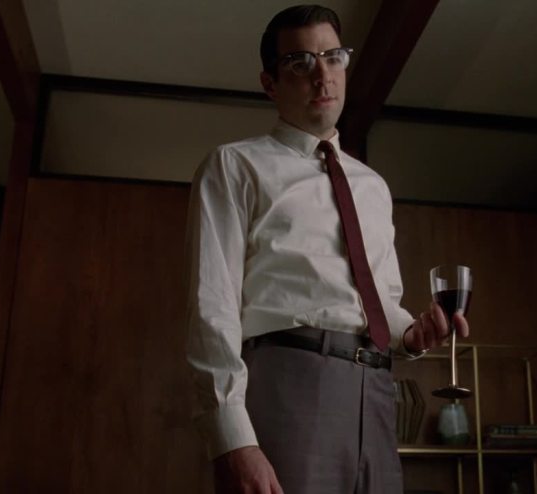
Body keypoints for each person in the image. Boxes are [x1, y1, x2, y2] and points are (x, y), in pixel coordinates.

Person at [185, 5, 469, 493]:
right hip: (288, 384)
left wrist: (412, 335)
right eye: (300, 62)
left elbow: (382, 304)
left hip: (377, 392)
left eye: (333, 56)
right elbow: (212, 305)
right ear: (270, 84)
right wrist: (233, 439)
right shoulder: (234, 166)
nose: (323, 74)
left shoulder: (373, 186)